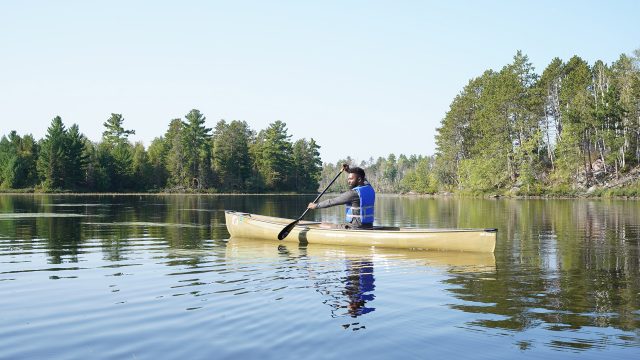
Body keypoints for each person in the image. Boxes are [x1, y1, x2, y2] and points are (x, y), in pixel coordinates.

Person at [307, 165, 375, 229]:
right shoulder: (370, 188)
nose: (348, 181)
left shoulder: (353, 194)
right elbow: (364, 180)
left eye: (351, 179)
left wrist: (316, 206)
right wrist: (348, 170)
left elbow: (332, 202)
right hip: (369, 226)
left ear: (359, 179)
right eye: (348, 179)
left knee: (323, 225)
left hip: (355, 227)